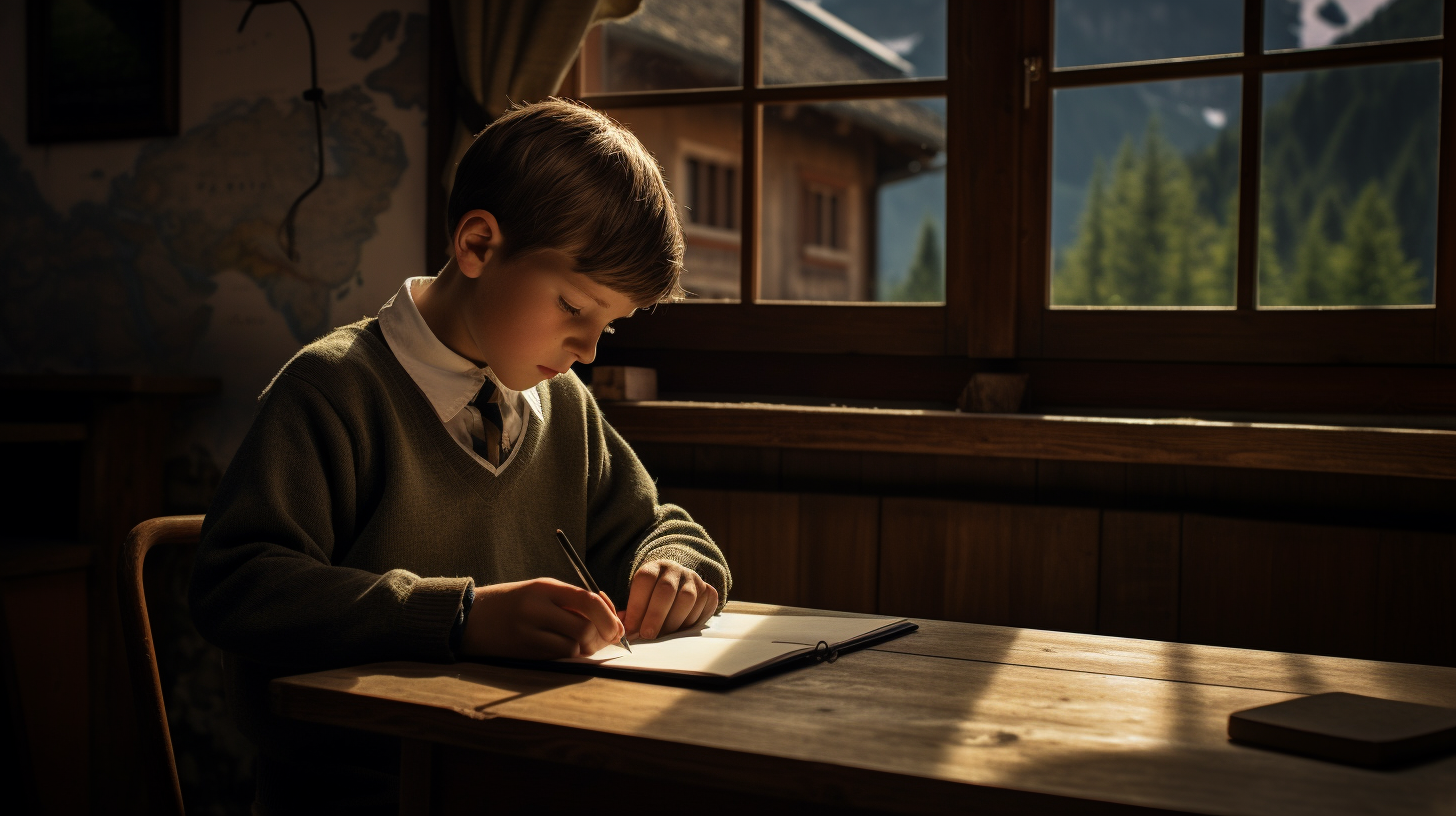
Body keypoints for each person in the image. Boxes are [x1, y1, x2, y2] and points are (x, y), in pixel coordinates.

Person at [189, 98, 731, 813]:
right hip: (359, 792)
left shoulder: (562, 404)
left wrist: (677, 568)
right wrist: (461, 617)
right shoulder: (333, 389)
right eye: (575, 307)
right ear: (478, 246)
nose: (588, 350)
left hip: (519, 771)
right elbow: (238, 586)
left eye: (610, 326)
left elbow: (659, 524)